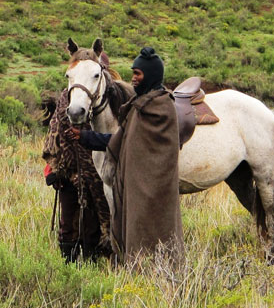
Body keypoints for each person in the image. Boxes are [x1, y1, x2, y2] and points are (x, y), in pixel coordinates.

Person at [68, 47, 183, 267]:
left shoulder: (159, 107)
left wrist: (88, 138)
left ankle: (162, 270)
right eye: (133, 73)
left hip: (156, 186)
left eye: (138, 74)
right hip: (140, 186)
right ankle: (136, 266)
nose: (133, 78)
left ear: (150, 75)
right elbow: (122, 140)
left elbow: (128, 142)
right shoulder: (138, 106)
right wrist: (85, 137)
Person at [42, 90, 111, 263]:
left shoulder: (105, 98)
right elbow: (54, 133)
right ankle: (69, 265)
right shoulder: (66, 98)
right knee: (68, 221)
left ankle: (92, 263)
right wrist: (53, 168)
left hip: (98, 172)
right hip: (67, 169)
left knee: (93, 221)